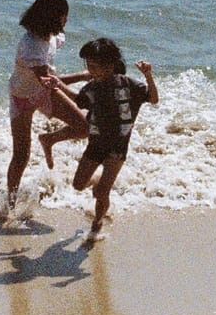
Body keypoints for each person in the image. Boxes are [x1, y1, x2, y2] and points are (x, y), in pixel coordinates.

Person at [42, 37, 158, 241]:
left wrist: (148, 76)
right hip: (96, 145)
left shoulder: (130, 85)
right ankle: (97, 181)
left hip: (118, 148)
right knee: (78, 185)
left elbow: (153, 98)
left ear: (111, 65)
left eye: (94, 67)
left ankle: (97, 223)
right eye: (88, 66)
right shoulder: (93, 88)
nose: (90, 71)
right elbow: (78, 100)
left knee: (101, 194)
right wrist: (57, 86)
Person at [5, 0, 87, 206]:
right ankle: (10, 202)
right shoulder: (31, 45)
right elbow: (52, 81)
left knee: (84, 127)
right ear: (52, 17)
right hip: (22, 97)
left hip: (43, 92)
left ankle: (49, 139)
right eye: (64, 16)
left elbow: (50, 81)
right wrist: (84, 76)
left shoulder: (52, 37)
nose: (66, 20)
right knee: (21, 155)